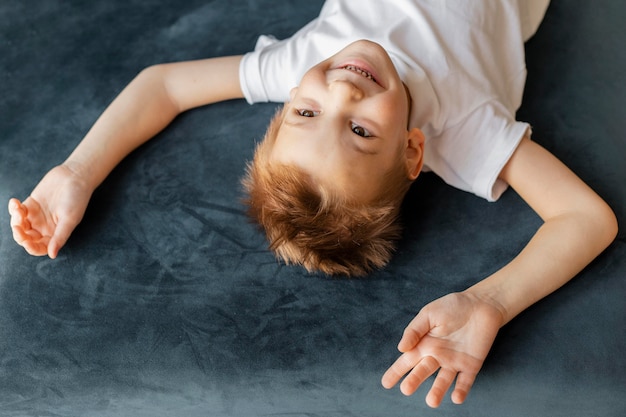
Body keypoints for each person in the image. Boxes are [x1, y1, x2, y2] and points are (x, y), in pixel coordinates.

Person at [8, 0, 618, 409]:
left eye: (305, 114)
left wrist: (76, 172)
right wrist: (488, 301)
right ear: (412, 152)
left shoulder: (304, 69)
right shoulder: (464, 130)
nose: (342, 90)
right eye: (359, 132)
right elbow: (586, 218)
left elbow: (164, 85)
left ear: (284, 106)